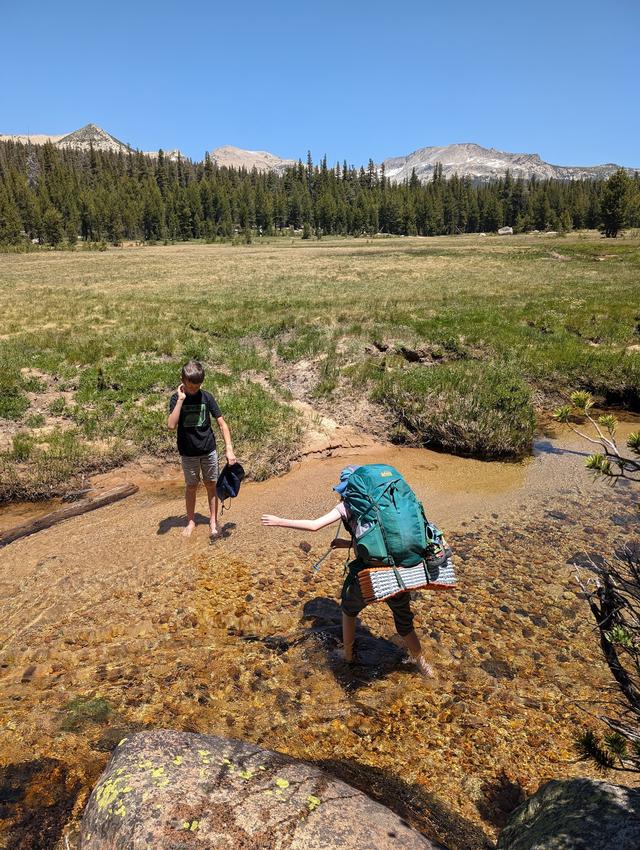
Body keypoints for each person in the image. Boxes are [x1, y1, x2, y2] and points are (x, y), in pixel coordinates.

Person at [261, 465, 434, 678]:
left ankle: (348, 656)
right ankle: (424, 666)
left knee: (349, 609)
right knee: (404, 621)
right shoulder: (384, 503)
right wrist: (346, 544)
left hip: (373, 570)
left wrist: (279, 522)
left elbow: (315, 526)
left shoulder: (346, 505)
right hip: (400, 565)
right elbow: (379, 538)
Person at [168, 359, 236, 539]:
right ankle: (191, 520)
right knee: (191, 486)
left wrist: (229, 449)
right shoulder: (176, 399)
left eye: (197, 387)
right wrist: (181, 400)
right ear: (183, 380)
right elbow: (171, 424)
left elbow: (222, 424)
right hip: (188, 453)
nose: (193, 390)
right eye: (190, 386)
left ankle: (213, 520)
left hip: (208, 451)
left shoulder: (207, 397)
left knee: (211, 485)